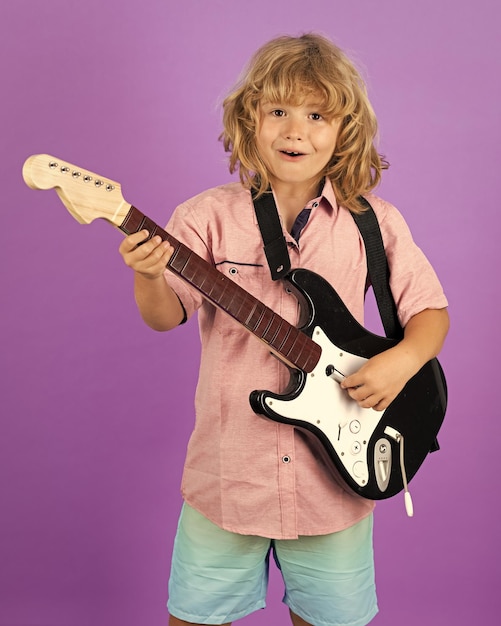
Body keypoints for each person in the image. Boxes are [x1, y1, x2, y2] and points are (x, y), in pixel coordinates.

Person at [119, 33, 449, 626]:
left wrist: (400, 364)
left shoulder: (374, 224)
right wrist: (149, 275)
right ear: (250, 120)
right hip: (229, 477)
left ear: (344, 129)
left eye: (317, 115)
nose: (296, 131)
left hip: (333, 487)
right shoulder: (204, 217)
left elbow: (430, 313)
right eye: (278, 112)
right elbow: (165, 315)